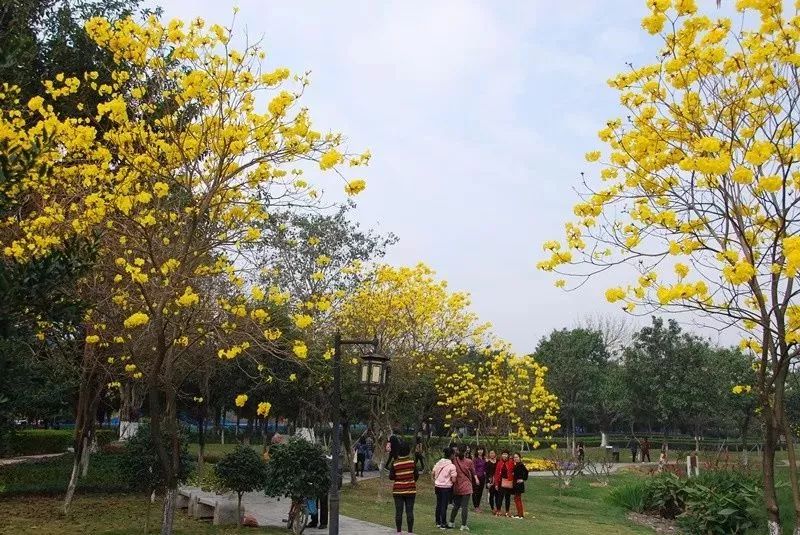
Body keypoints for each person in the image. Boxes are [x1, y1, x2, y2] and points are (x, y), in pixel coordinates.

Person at [389, 441, 418, 534]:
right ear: (408, 451)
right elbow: (416, 475)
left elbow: (391, 477)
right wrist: (410, 481)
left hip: (398, 491)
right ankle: (410, 532)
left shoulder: (395, 463)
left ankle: (398, 532)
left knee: (399, 512)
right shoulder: (412, 462)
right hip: (410, 490)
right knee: (409, 511)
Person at [449, 445, 477, 531]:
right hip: (466, 486)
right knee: (465, 506)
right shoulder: (469, 461)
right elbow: (473, 472)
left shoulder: (454, 460)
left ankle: (451, 522)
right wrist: (476, 479)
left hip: (457, 486)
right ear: (466, 452)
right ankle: (463, 525)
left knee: (456, 505)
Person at [432, 447, 457, 529]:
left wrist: (436, 479)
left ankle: (437, 522)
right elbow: (453, 479)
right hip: (446, 487)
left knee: (438, 504)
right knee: (444, 505)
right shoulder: (451, 466)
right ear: (452, 455)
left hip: (437, 486)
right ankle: (443, 523)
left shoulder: (439, 462)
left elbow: (433, 472)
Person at [492, 450, 515, 517]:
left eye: (506, 454)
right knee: (500, 497)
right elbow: (496, 473)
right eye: (503, 454)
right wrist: (496, 484)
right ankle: (498, 510)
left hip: (508, 482)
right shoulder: (499, 463)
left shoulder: (511, 462)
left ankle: (507, 511)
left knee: (507, 497)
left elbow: (514, 471)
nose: (504, 455)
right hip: (500, 482)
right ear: (501, 455)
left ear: (508, 455)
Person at [511, 453, 529, 519]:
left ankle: (520, 515)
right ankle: (519, 513)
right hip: (516, 484)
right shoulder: (516, 465)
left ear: (519, 457)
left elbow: (526, 472)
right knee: (517, 499)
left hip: (519, 484)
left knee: (517, 499)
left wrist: (523, 479)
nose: (515, 458)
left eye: (517, 457)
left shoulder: (521, 465)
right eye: (514, 457)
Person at [472, 447, 487, 512]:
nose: (480, 451)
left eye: (481, 450)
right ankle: (475, 506)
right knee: (475, 492)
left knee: (480, 492)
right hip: (476, 477)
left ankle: (478, 506)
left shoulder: (484, 459)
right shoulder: (475, 459)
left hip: (483, 477)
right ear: (477, 451)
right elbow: (473, 469)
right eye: (479, 450)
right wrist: (476, 478)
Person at [485, 450, 499, 514]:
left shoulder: (498, 461)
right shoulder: (487, 462)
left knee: (497, 495)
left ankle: (498, 508)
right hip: (491, 480)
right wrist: (487, 482)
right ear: (489, 454)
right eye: (491, 453)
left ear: (495, 454)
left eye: (493, 453)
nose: (492, 454)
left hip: (497, 480)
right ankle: (492, 508)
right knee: (491, 495)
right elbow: (487, 473)